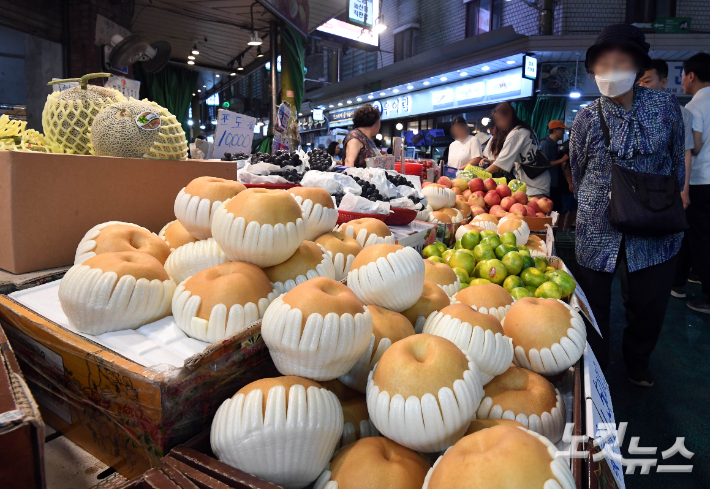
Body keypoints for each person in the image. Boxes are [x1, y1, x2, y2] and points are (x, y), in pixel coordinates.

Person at [569, 24, 685, 386]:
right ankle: (597, 367)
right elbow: (577, 168)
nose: (611, 69)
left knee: (649, 302)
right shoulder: (586, 117)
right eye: (603, 64)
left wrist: (660, 197)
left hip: (653, 219)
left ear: (638, 67)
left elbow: (676, 161)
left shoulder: (666, 106)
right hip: (597, 224)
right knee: (594, 301)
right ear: (593, 72)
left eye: (621, 61)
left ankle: (638, 360)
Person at [637, 58, 695, 299]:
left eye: (647, 80)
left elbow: (685, 152)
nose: (642, 85)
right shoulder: (630, 109)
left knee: (659, 245)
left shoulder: (679, 112)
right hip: (633, 191)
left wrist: (684, 189)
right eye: (639, 80)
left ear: (663, 81)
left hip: (663, 191)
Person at [682, 52, 710, 314]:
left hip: (702, 181)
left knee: (701, 238)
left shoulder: (694, 106)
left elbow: (695, 146)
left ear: (691, 76)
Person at [482, 102, 549, 197]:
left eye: (499, 120)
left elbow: (499, 164)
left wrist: (479, 177)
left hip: (534, 185)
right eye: (496, 121)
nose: (498, 124)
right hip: (536, 181)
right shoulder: (525, 129)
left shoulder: (516, 133)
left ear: (509, 116)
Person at [540, 121, 572, 211]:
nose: (563, 132)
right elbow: (545, 164)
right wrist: (562, 160)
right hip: (549, 184)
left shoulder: (555, 145)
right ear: (555, 130)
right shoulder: (546, 145)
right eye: (562, 130)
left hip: (555, 184)